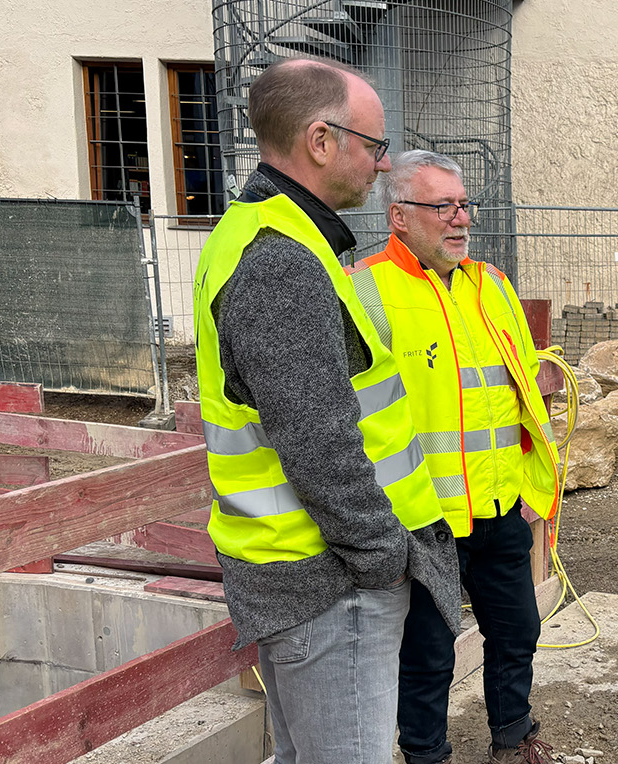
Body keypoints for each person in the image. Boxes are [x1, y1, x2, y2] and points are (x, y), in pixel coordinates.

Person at [191, 59, 463, 764]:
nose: (381, 165)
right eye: (373, 145)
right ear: (320, 140)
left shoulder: (272, 235)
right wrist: (382, 557)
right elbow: (318, 439)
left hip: (309, 572)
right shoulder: (280, 259)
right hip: (330, 580)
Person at [348, 150, 562, 764]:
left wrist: (527, 487)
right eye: (442, 206)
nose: (460, 218)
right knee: (428, 654)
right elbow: (356, 416)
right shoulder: (368, 292)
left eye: (464, 204)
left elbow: (521, 394)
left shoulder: (491, 284)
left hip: (498, 506)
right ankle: (424, 754)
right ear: (399, 217)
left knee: (518, 630)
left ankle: (514, 739)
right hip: (424, 519)